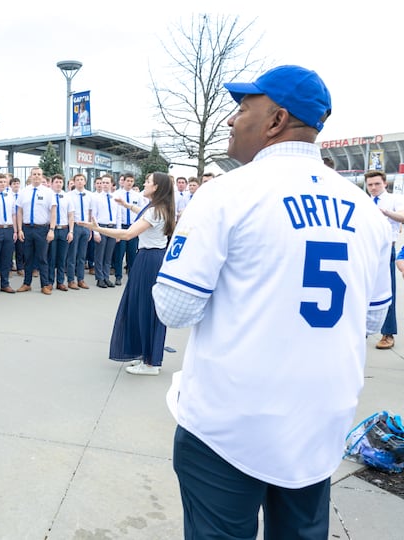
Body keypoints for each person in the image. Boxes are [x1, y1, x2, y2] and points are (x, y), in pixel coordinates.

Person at [152, 65, 391, 539]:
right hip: (319, 420)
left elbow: (173, 309)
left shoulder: (225, 193)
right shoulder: (367, 209)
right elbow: (372, 317)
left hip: (229, 423)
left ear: (276, 120)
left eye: (243, 109)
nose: (231, 120)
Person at [80, 172, 174, 374]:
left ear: (156, 187)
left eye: (148, 182)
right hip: (151, 258)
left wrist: (98, 229)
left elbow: (127, 234)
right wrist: (127, 205)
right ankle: (146, 355)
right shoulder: (158, 208)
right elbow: (143, 212)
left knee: (146, 308)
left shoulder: (155, 211)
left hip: (149, 260)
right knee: (142, 306)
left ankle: (150, 363)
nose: (144, 184)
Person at [366, 170, 402, 349]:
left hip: (386, 248)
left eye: (377, 184)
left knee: (387, 290)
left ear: (385, 183)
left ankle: (388, 333)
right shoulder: (363, 201)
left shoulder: (395, 199)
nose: (373, 188)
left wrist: (385, 212)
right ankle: (362, 329)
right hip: (365, 248)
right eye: (370, 184)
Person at [16, 167, 56, 295]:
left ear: (42, 176)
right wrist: (20, 229)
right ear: (30, 176)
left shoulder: (48, 192)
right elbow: (19, 211)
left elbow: (53, 212)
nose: (37, 176)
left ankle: (45, 284)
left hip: (42, 229)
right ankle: (27, 283)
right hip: (27, 228)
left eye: (39, 174)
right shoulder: (24, 191)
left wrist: (51, 229)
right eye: (34, 174)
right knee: (27, 257)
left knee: (42, 258)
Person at [91, 175, 120, 288]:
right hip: (101, 227)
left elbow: (118, 216)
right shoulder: (96, 198)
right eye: (103, 182)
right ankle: (100, 278)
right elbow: (94, 216)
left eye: (107, 182)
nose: (105, 185)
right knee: (100, 255)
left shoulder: (115, 198)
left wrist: (118, 232)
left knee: (108, 255)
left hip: (112, 228)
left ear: (111, 184)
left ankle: (106, 277)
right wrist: (96, 232)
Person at [47, 174, 74, 291]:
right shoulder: (48, 196)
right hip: (52, 230)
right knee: (51, 257)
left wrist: (71, 231)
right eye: (56, 182)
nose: (58, 184)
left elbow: (71, 215)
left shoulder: (67, 197)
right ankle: (49, 281)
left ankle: (60, 281)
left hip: (64, 229)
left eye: (60, 182)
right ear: (52, 183)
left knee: (62, 258)